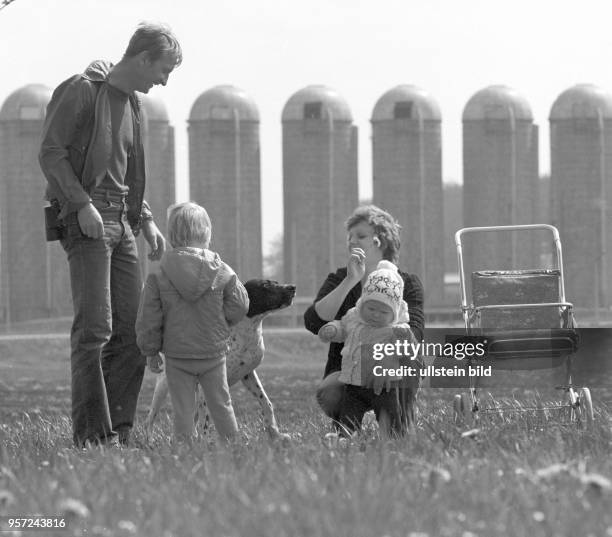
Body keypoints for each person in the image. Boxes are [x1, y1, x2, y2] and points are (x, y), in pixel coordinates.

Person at [38, 22, 182, 447]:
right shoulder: (82, 90)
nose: (164, 80)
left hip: (123, 222)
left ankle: (120, 431)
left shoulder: (134, 106)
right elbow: (50, 152)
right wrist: (81, 205)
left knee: (133, 333)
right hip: (88, 220)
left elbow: (128, 171)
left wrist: (148, 220)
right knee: (94, 331)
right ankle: (92, 437)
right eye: (164, 69)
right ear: (143, 59)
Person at [136, 202, 249, 443]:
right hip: (213, 353)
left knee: (183, 409)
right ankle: (233, 444)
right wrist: (223, 321)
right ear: (207, 234)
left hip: (177, 356)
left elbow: (149, 319)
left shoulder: (158, 274)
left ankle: (185, 450)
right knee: (221, 403)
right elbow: (240, 306)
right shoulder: (222, 271)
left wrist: (150, 351)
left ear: (172, 235)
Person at [304, 205, 424, 432]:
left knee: (399, 385)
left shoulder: (407, 283)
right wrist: (351, 280)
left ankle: (399, 426)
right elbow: (314, 322)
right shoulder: (340, 278)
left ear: (381, 240)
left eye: (360, 236)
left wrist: (383, 363)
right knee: (330, 392)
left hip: (393, 368)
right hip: (349, 371)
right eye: (349, 237)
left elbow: (415, 332)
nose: (351, 241)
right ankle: (346, 430)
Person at [318, 260, 416, 437]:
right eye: (371, 308)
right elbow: (343, 328)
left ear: (394, 313)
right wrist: (334, 329)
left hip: (384, 386)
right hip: (354, 384)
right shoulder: (353, 318)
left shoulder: (397, 330)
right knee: (349, 416)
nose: (376, 315)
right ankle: (346, 437)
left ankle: (393, 438)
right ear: (362, 303)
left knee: (390, 416)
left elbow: (409, 349)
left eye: (384, 312)